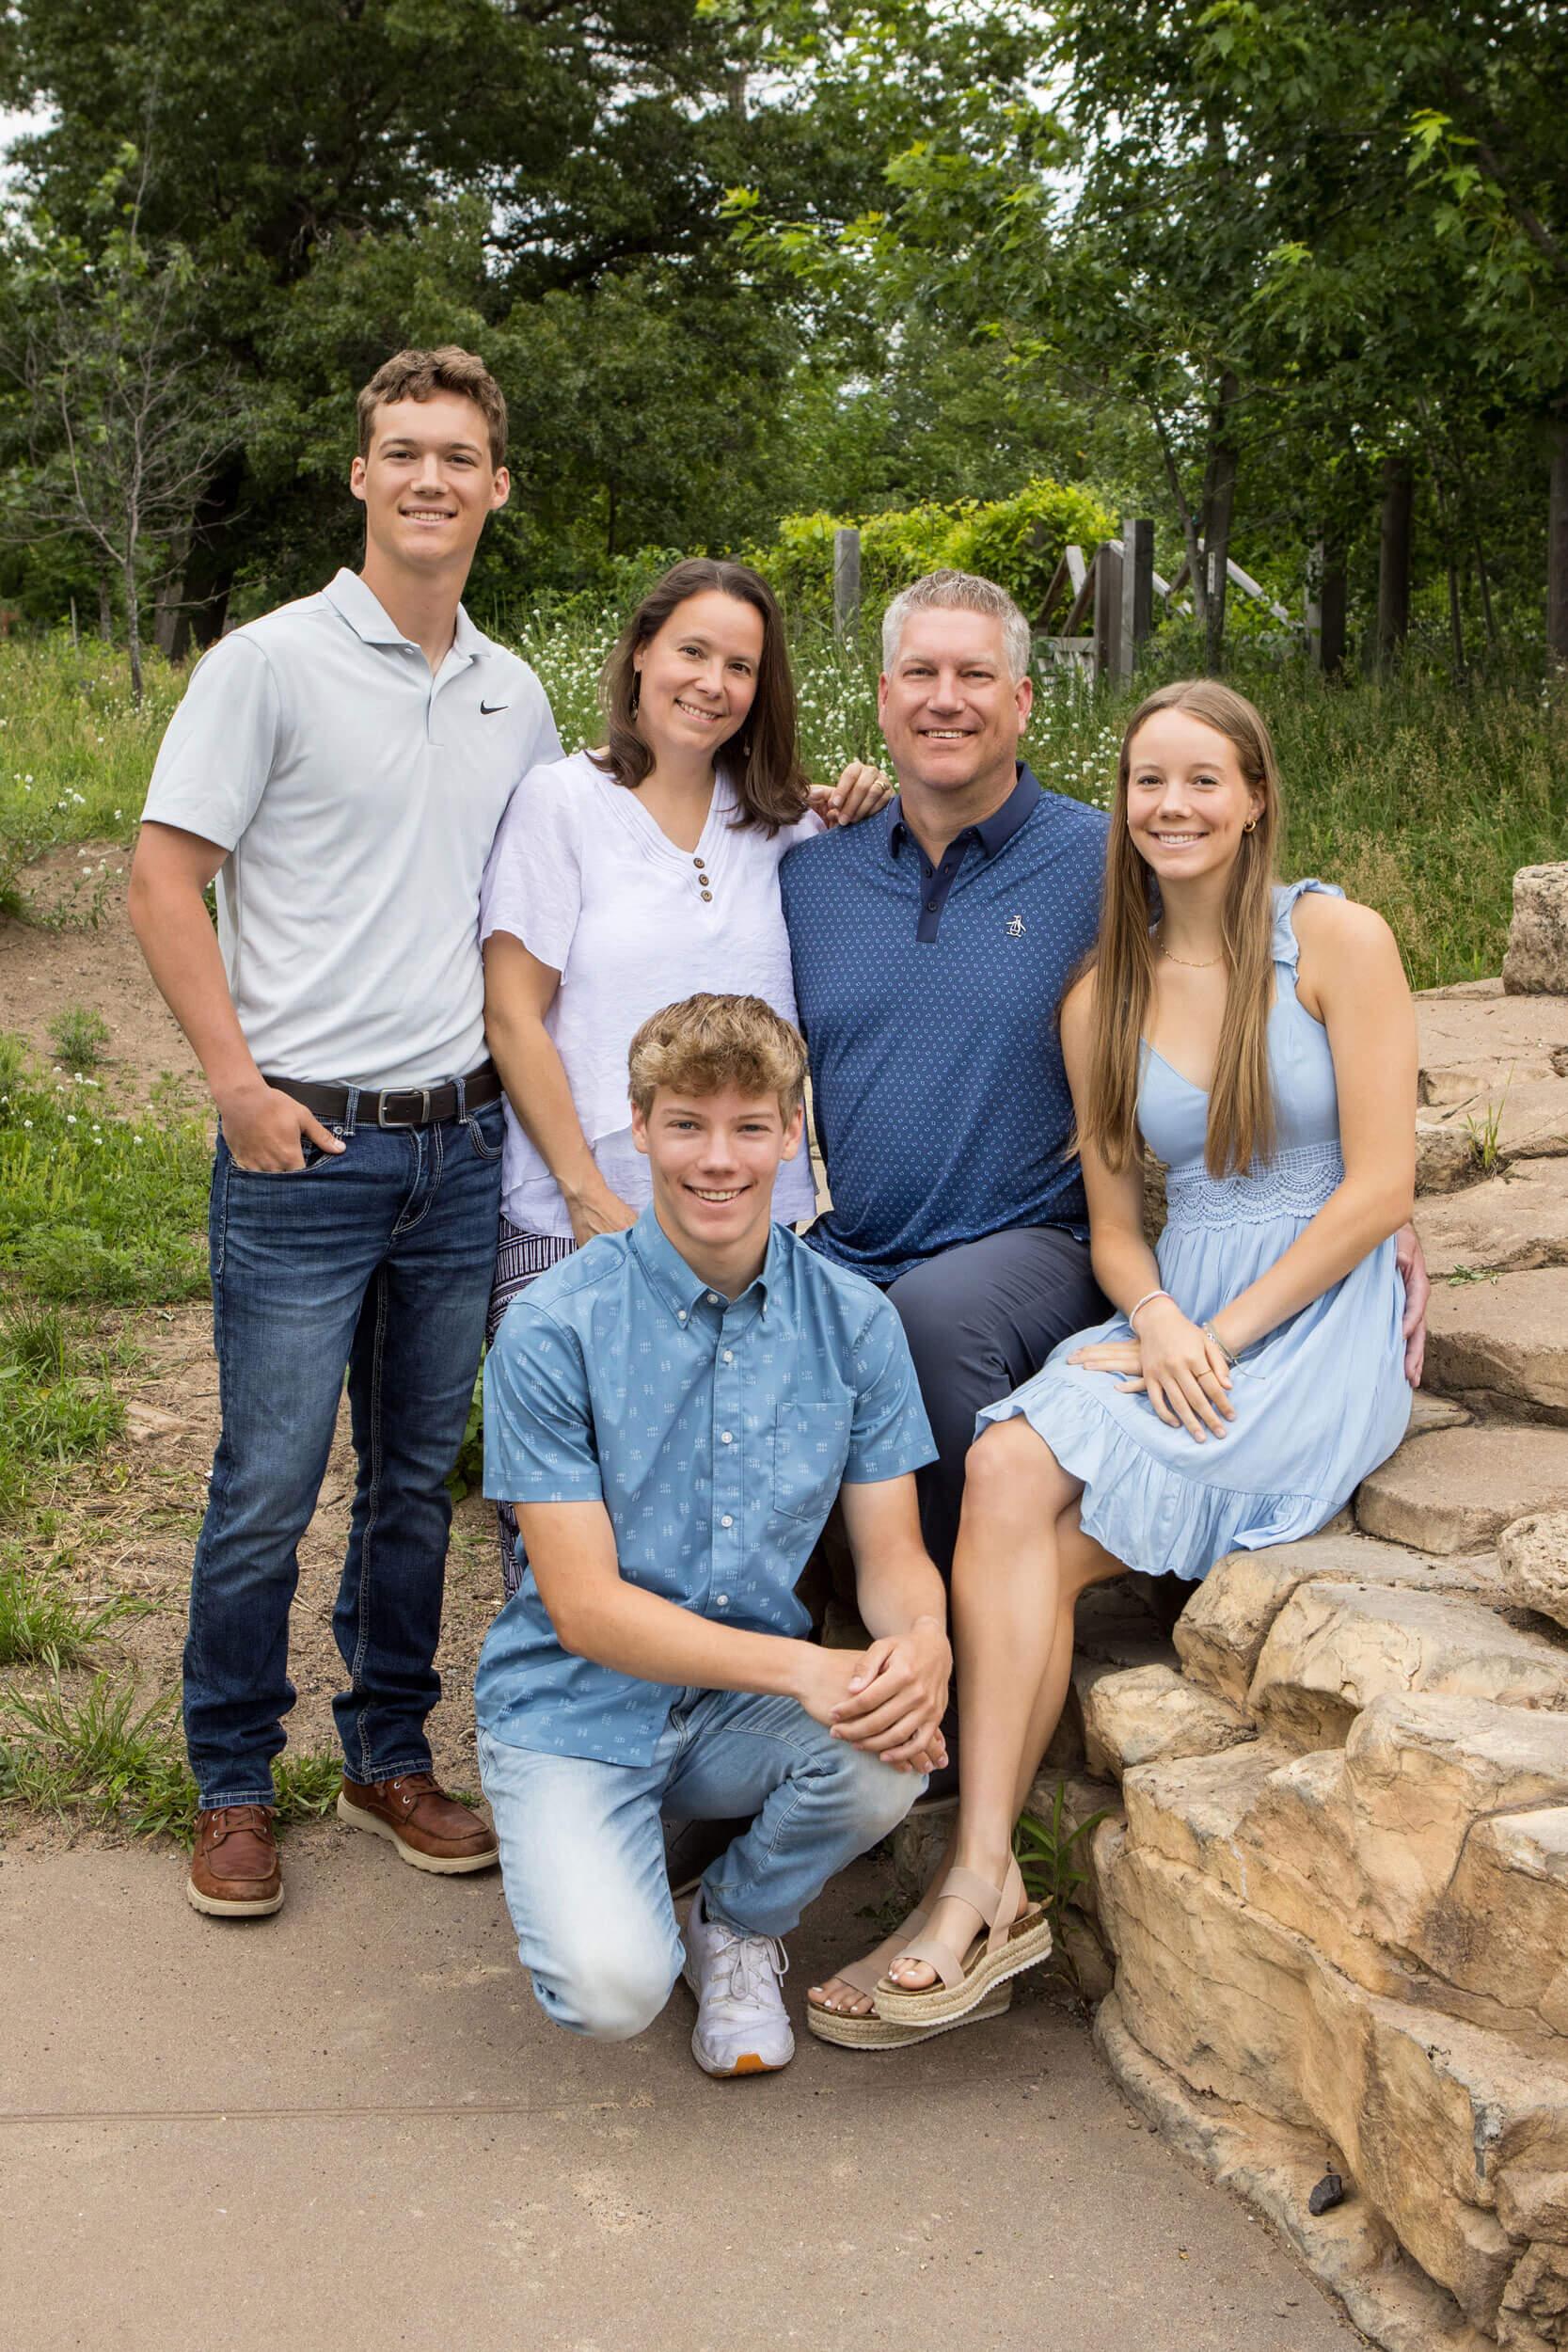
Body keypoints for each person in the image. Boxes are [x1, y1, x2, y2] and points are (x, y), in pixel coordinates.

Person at [782, 573, 1429, 2032]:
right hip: (1174, 1301)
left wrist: (1231, 1329)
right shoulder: (1106, 991)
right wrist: (1148, 1318)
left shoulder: (1340, 944)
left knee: (1025, 1507)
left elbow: (1377, 1182)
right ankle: (987, 1879)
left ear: (1255, 798)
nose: (1171, 806)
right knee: (1010, 1470)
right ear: (1121, 799)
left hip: (1305, 1317)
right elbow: (1117, 1217)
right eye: (1149, 780)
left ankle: (964, 1866)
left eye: (1202, 780)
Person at [128, 345, 560, 1918]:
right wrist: (236, 1085)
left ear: (496, 485)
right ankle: (233, 1784)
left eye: (460, 454)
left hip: (459, 1147)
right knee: (268, 1479)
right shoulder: (268, 664)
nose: (432, 477)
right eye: (404, 452)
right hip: (301, 1146)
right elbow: (163, 880)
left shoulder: (518, 695)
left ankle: (389, 1750)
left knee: (406, 1486)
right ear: (360, 476)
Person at [473, 993, 961, 2076]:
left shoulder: (853, 1321)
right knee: (612, 1994)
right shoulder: (555, 1326)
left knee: (887, 1749)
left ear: (792, 1135)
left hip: (738, 1710)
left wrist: (918, 1646)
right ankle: (599, 1870)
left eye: (750, 1127)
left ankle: (734, 1920)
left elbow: (890, 1559)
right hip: (573, 1705)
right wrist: (808, 1669)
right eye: (686, 1123)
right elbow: (584, 1608)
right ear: (637, 1127)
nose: (717, 1159)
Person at [478, 557, 891, 1591]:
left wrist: (863, 803)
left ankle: (727, 1724)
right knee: (582, 1515)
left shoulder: (785, 823)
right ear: (640, 656)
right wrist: (585, 1194)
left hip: (747, 1216)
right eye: (691, 652)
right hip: (585, 1211)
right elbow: (514, 1014)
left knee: (730, 1502)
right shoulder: (561, 802)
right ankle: (564, 1724)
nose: (712, 681)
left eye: (740, 664)